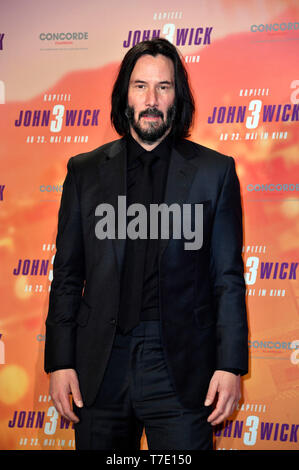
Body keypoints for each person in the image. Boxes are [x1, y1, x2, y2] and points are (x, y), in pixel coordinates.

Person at [44, 38, 248, 450]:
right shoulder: (84, 173)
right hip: (100, 365)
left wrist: (230, 365)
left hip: (182, 368)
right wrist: (60, 360)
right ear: (125, 96)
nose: (151, 99)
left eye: (163, 87)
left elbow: (226, 277)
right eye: (140, 86)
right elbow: (68, 275)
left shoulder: (215, 173)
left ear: (178, 97)